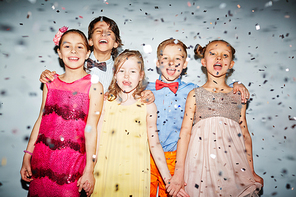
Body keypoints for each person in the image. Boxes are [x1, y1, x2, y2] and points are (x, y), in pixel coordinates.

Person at [147, 38, 250, 197]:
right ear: (157, 62)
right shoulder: (143, 88)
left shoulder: (193, 91)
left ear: (185, 63)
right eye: (165, 58)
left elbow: (216, 93)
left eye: (177, 58)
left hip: (178, 157)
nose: (171, 62)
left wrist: (237, 84)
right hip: (146, 155)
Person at [20, 28, 104, 197]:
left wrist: (90, 169)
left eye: (79, 47)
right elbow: (40, 120)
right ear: (59, 52)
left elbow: (92, 129)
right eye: (67, 46)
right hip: (42, 160)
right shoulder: (50, 82)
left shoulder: (94, 87)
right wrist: (27, 155)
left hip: (73, 165)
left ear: (88, 53)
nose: (73, 51)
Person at [92, 50, 171, 197]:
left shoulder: (148, 106)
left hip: (134, 175)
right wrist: (88, 171)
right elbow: (96, 141)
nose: (126, 76)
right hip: (105, 172)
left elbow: (155, 145)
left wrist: (168, 179)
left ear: (141, 76)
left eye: (132, 71)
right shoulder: (105, 103)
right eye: (122, 70)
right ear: (115, 74)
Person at [40, 16, 153, 102]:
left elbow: (131, 91)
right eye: (98, 31)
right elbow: (65, 84)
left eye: (109, 32)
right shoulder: (76, 61)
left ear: (116, 43)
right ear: (90, 41)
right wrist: (48, 75)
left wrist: (146, 94)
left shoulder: (121, 71)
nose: (103, 34)